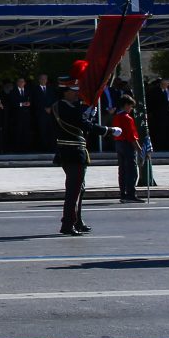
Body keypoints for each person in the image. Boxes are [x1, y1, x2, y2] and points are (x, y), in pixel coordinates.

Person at [53, 60, 96, 235]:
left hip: (75, 152)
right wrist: (107, 130)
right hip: (71, 153)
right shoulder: (63, 107)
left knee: (80, 189)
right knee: (73, 190)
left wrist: (88, 113)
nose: (77, 94)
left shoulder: (71, 106)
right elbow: (81, 123)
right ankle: (68, 223)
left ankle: (77, 221)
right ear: (66, 91)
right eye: (74, 91)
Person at [110, 92, 143, 202]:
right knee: (131, 170)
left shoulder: (116, 117)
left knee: (122, 170)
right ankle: (131, 193)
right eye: (130, 106)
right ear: (125, 105)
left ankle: (123, 193)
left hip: (118, 143)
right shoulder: (127, 118)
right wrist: (139, 148)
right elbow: (131, 135)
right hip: (127, 144)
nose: (131, 108)